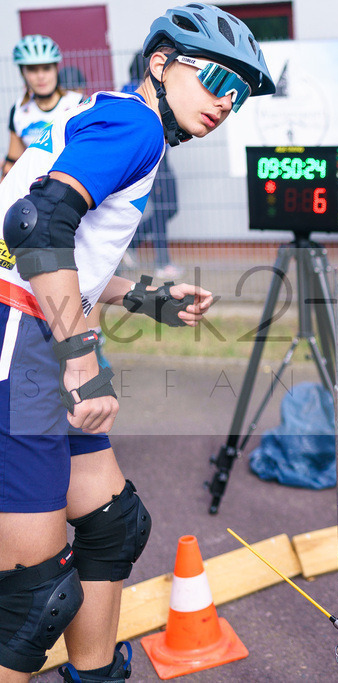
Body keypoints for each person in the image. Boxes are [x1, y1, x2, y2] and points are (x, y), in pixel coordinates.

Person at [0, 5, 274, 682]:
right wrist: (81, 361)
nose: (226, 103)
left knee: (112, 525)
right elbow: (35, 226)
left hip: (36, 325)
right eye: (216, 79)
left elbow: (67, 246)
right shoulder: (137, 125)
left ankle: (94, 675)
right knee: (32, 600)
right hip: (22, 337)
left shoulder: (113, 116)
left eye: (238, 96)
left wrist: (147, 296)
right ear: (160, 62)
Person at [120, 52, 182, 280]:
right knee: (164, 208)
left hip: (159, 155)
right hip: (151, 156)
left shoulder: (131, 88)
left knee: (168, 208)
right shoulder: (137, 91)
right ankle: (163, 263)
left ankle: (132, 243)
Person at [3, 35, 84, 181]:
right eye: (33, 70)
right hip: (35, 191)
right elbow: (12, 162)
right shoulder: (19, 110)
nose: (41, 76)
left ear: (55, 69)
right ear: (23, 73)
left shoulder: (76, 103)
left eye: (46, 68)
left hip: (73, 184)